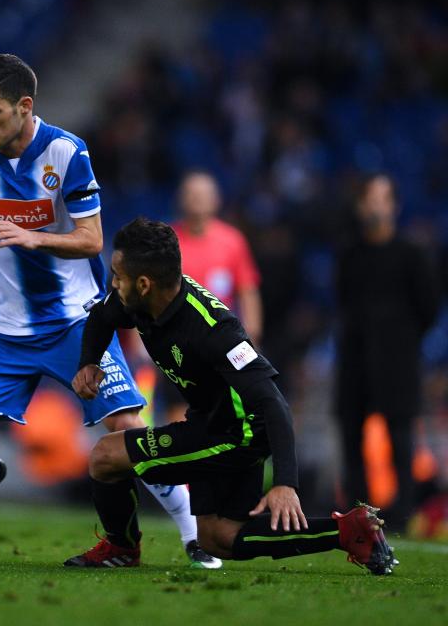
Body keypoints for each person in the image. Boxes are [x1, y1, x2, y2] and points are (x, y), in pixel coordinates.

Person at [0, 53, 219, 567]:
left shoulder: (68, 153)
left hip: (77, 324)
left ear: (24, 107)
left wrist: (32, 237)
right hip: (3, 333)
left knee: (130, 431)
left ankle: (191, 536)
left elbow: (93, 241)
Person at [65, 216, 396, 575]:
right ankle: (350, 531)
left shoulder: (215, 331)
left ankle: (122, 547)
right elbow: (101, 317)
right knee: (218, 538)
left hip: (238, 434)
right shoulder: (139, 300)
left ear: (144, 284)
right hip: (212, 420)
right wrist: (89, 363)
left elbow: (273, 402)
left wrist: (285, 482)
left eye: (118, 276)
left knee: (105, 456)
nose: (113, 283)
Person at [335, 175, 440, 530]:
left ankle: (403, 515)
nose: (375, 206)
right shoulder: (350, 253)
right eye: (369, 198)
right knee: (352, 436)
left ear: (394, 205)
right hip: (355, 358)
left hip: (397, 361)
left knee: (401, 438)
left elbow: (429, 307)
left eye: (383, 198)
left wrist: (402, 339)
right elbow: (342, 301)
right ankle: (359, 514)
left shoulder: (411, 254)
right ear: (360, 206)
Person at [160, 170, 262, 423]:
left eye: (203, 195)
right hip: (177, 343)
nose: (197, 200)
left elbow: (247, 290)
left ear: (216, 200)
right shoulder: (166, 241)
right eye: (191, 194)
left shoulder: (232, 241)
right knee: (179, 412)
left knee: (226, 411)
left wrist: (252, 334)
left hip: (220, 343)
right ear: (181, 199)